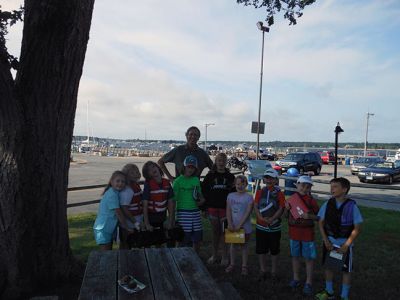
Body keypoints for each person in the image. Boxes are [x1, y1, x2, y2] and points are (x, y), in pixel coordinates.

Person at [315, 177, 363, 300]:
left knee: (346, 271)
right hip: (329, 243)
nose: (332, 189)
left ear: (344, 189)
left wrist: (346, 245)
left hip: (345, 245)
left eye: (335, 186)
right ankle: (329, 291)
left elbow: (357, 228)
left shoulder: (352, 206)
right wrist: (326, 240)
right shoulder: (328, 204)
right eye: (331, 186)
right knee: (329, 267)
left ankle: (344, 296)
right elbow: (320, 223)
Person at [285, 175, 319, 296]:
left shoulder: (312, 201)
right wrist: (286, 209)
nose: (304, 188)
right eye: (302, 185)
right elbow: (285, 216)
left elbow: (319, 217)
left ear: (310, 188)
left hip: (307, 234)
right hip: (294, 233)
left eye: (307, 186)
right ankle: (296, 278)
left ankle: (308, 282)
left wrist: (309, 216)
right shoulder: (290, 199)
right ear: (297, 185)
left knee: (308, 259)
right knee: (295, 257)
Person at [201, 153, 235, 266]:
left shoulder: (230, 177)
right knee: (215, 233)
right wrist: (204, 208)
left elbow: (235, 194)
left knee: (224, 234)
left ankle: (225, 256)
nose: (221, 163)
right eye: (219, 160)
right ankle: (214, 255)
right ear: (215, 162)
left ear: (226, 162)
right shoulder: (210, 176)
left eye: (223, 161)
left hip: (225, 209)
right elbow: (204, 192)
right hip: (212, 208)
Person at [254, 169, 285, 281]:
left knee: (274, 250)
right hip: (261, 226)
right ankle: (263, 270)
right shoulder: (259, 192)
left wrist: (272, 218)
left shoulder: (280, 194)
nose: (269, 180)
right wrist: (260, 217)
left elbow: (281, 208)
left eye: (272, 178)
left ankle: (273, 271)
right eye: (267, 177)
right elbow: (256, 206)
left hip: (274, 227)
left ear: (276, 180)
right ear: (263, 179)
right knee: (261, 249)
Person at [173, 155, 205, 253]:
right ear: (184, 167)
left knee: (197, 238)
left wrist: (202, 200)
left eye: (193, 167)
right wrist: (173, 216)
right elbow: (174, 199)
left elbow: (200, 195)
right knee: (181, 237)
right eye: (188, 167)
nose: (190, 169)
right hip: (182, 212)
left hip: (195, 212)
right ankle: (178, 256)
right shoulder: (177, 181)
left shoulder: (195, 180)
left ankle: (196, 257)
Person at [93, 171, 132, 251]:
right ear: (111, 182)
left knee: (109, 253)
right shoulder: (112, 194)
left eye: (123, 182)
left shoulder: (115, 192)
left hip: (109, 228)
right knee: (106, 255)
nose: (120, 183)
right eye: (118, 181)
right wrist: (126, 227)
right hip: (103, 228)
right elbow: (118, 212)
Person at [225, 175, 253, 276]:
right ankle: (232, 264)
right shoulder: (230, 196)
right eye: (238, 184)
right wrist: (230, 223)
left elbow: (248, 212)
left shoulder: (249, 197)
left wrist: (240, 225)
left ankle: (244, 266)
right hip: (233, 226)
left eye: (242, 184)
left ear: (246, 184)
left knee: (244, 246)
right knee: (233, 245)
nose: (240, 186)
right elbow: (228, 210)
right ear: (234, 184)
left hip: (245, 227)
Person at [142, 161, 175, 236]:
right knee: (149, 240)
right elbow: (145, 205)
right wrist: (147, 224)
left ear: (158, 168)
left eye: (153, 166)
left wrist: (170, 220)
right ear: (147, 174)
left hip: (162, 217)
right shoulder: (148, 185)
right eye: (149, 169)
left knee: (160, 239)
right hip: (151, 218)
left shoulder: (167, 183)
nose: (152, 169)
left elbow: (171, 203)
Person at [119, 163, 143, 249]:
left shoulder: (136, 185)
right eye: (133, 173)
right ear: (126, 175)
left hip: (137, 218)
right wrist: (134, 222)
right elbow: (124, 208)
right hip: (130, 221)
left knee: (136, 243)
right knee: (127, 243)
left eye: (137, 171)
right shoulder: (127, 190)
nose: (137, 174)